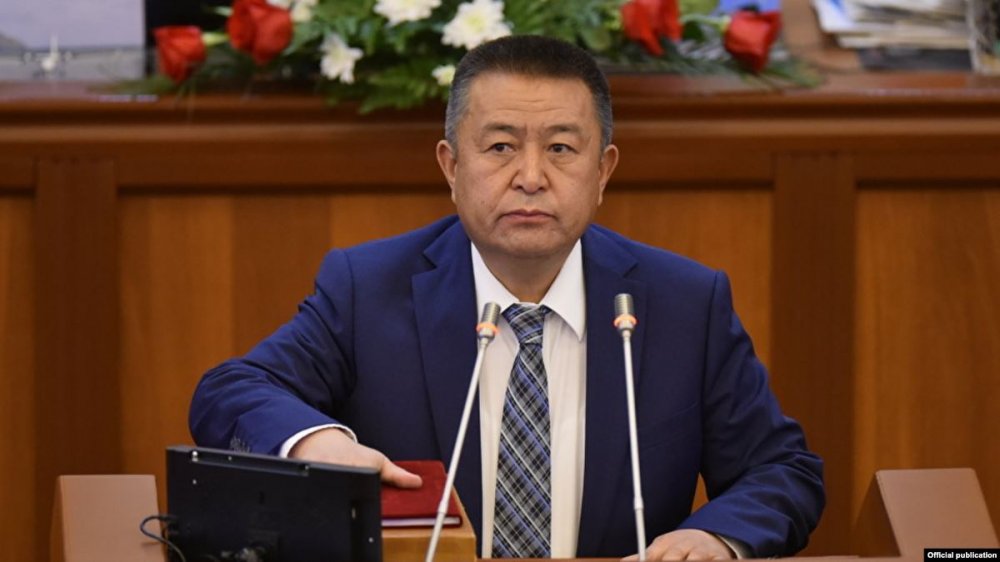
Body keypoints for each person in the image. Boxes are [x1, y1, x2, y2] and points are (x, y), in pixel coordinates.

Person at [190, 35, 824, 561]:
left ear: (602, 171)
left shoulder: (684, 302)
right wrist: (315, 444)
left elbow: (782, 470)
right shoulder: (367, 289)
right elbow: (230, 391)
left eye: (561, 148)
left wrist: (715, 538)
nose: (530, 176)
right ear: (451, 166)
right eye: (500, 147)